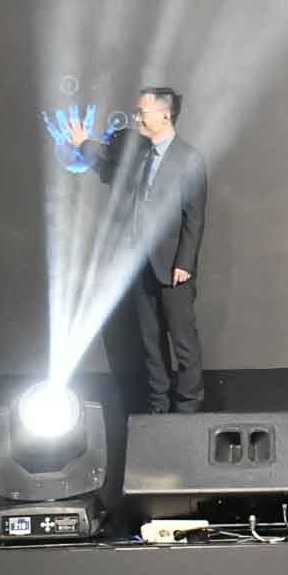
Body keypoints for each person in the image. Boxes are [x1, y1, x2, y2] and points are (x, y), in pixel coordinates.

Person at [68, 87, 208, 413]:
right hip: (140, 265)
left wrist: (185, 263)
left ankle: (189, 410)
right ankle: (159, 409)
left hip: (173, 267)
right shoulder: (141, 155)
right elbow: (109, 167)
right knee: (151, 343)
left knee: (183, 342)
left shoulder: (188, 158)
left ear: (165, 115)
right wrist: (83, 144)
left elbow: (195, 216)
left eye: (142, 112)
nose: (136, 118)